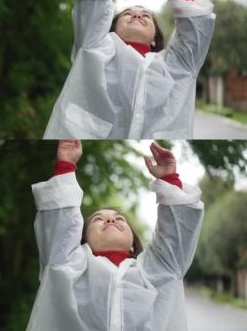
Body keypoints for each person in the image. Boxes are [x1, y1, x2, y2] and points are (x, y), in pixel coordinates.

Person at [28, 140, 204, 330]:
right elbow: (61, 230)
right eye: (98, 219)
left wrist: (170, 179)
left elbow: (176, 235)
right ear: (84, 239)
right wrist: (66, 165)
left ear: (132, 245)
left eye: (119, 218)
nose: (110, 220)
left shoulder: (159, 270)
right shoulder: (65, 266)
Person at [43, 0, 216, 139]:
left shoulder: (177, 66)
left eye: (145, 16)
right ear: (113, 28)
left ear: (154, 38)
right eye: (128, 13)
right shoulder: (93, 49)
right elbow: (93, 16)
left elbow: (195, 37)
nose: (136, 14)